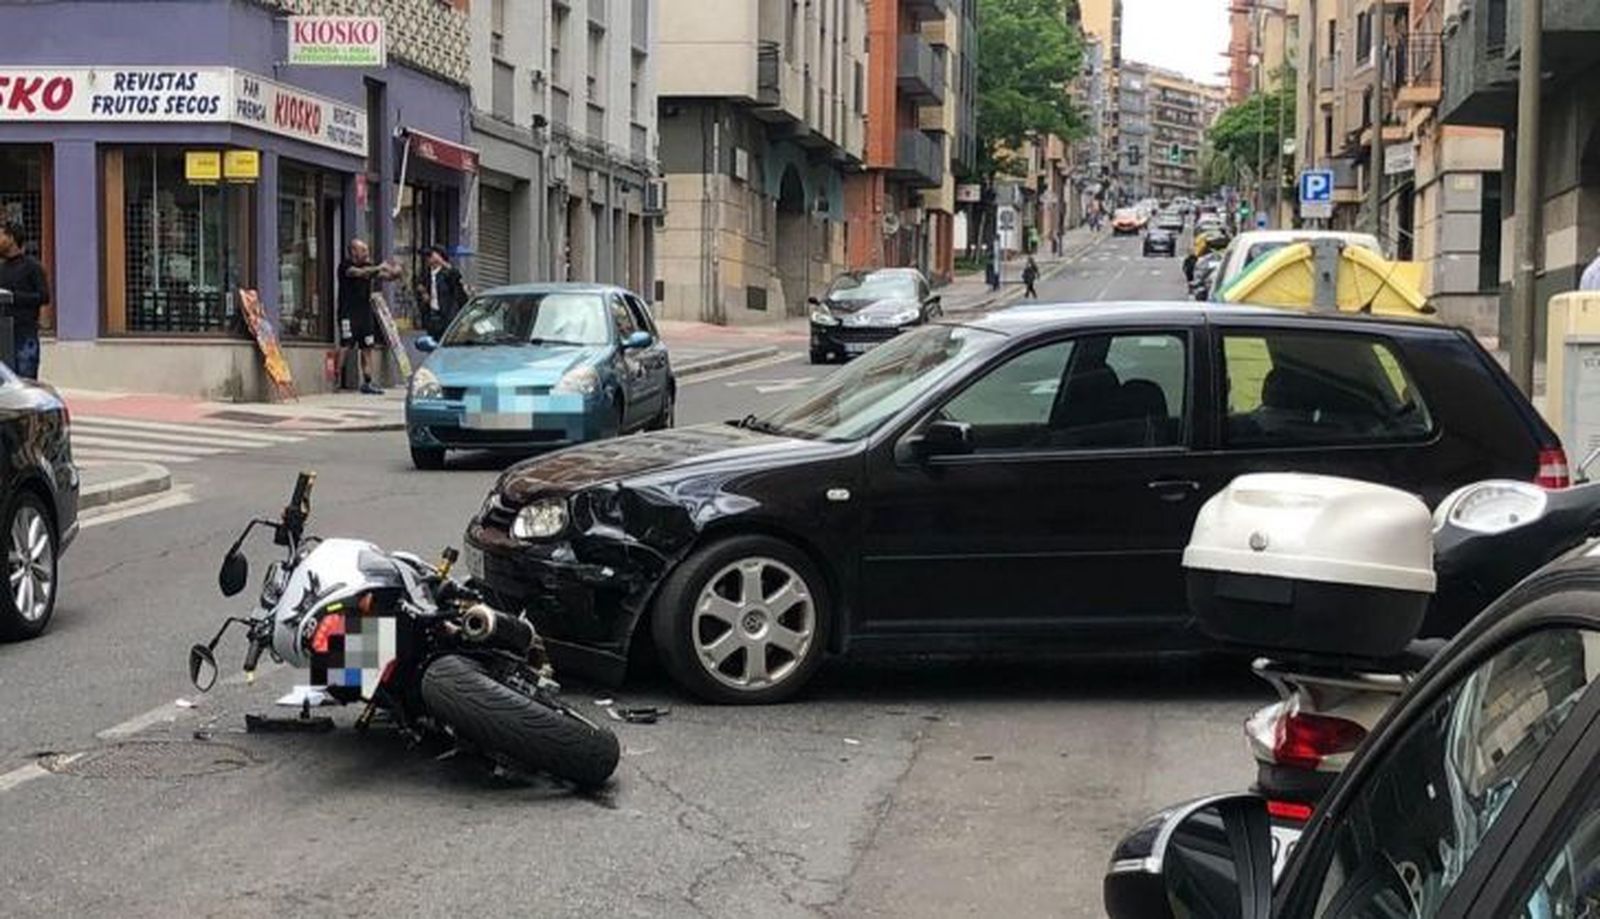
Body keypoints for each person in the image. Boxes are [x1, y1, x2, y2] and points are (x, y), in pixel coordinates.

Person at [337, 239, 400, 394]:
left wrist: (396, 272)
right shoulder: (345, 266)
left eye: (366, 250)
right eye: (363, 250)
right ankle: (335, 380)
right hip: (348, 312)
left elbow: (386, 276)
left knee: (367, 347)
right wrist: (379, 267)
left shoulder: (369, 266)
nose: (366, 253)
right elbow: (359, 273)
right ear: (353, 251)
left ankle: (367, 382)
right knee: (346, 345)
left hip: (365, 312)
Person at [0, 219, 49, 379]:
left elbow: (44, 297)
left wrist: (13, 296)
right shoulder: (1, 268)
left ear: (11, 238)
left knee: (25, 383)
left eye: (1, 236)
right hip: (3, 335)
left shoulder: (32, 266)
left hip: (24, 335)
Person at [422, 245, 469, 339]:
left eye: (431, 255)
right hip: (432, 316)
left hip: (447, 316)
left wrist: (441, 261)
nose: (428, 258)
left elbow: (456, 276)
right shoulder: (426, 274)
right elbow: (420, 286)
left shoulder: (447, 273)